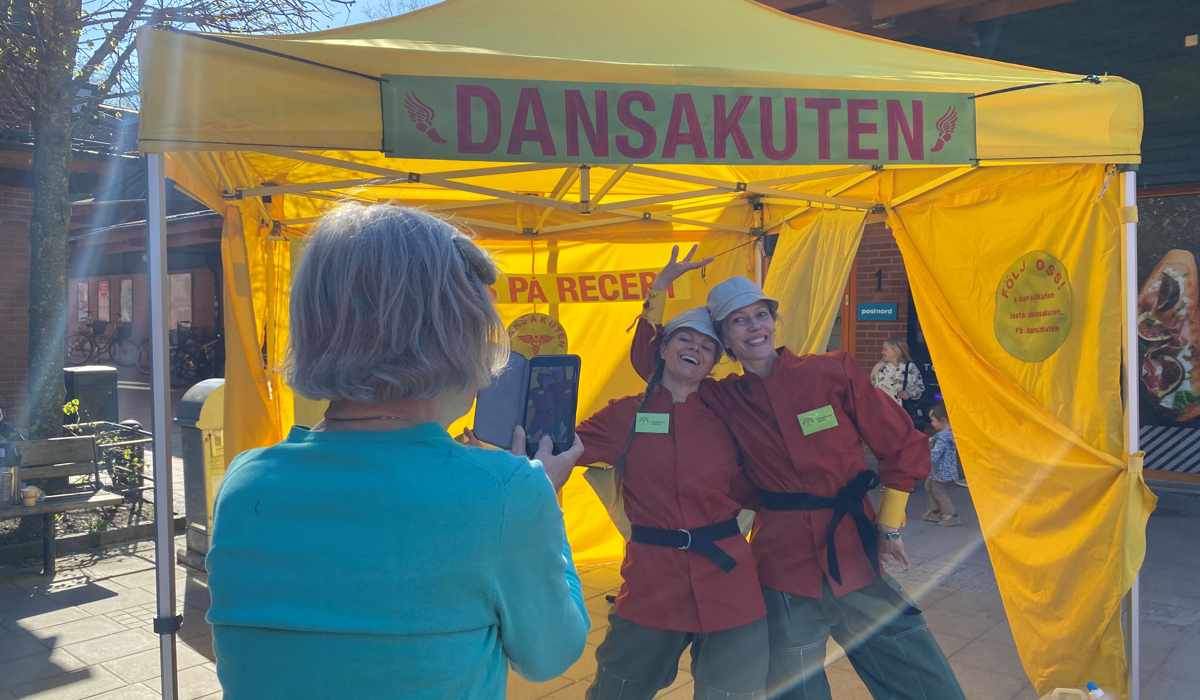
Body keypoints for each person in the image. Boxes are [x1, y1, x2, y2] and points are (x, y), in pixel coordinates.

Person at [205, 204, 590, 700]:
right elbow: (551, 656)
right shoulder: (508, 491)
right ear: (459, 335)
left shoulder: (244, 481)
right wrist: (544, 499)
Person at [631, 247, 965, 700]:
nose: (755, 327)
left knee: (921, 676)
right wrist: (657, 291)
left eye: (760, 315)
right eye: (739, 321)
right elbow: (654, 365)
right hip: (783, 566)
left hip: (854, 550)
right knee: (796, 689)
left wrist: (889, 523)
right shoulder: (723, 397)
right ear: (725, 339)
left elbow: (900, 442)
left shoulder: (832, 370)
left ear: (773, 319)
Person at [575, 307, 768, 700]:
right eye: (685, 339)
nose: (695, 349)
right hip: (652, 580)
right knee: (619, 687)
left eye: (707, 347)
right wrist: (490, 454)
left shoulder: (730, 415)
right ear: (662, 349)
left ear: (714, 362)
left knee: (733, 691)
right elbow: (559, 449)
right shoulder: (625, 414)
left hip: (728, 577)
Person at [924, 404, 962, 527]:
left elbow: (935, 454)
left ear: (942, 420)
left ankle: (951, 515)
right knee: (929, 486)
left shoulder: (942, 438)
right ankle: (935, 510)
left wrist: (924, 462)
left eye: (933, 420)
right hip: (940, 469)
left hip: (939, 470)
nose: (932, 423)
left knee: (938, 491)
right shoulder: (949, 434)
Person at [870, 337, 925, 406]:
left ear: (896, 350)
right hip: (883, 409)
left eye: (885, 349)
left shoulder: (910, 367)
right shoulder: (879, 368)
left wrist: (909, 393)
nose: (882, 352)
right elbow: (872, 388)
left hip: (902, 409)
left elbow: (919, 387)